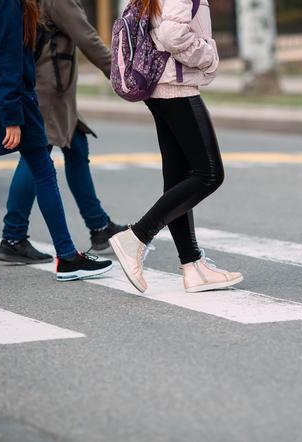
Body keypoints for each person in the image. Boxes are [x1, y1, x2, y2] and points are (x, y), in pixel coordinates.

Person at [0, 0, 113, 290]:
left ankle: (66, 256)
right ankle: (65, 256)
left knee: (40, 170)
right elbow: (4, 60)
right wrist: (11, 118)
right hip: (1, 105)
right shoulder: (8, 3)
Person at [109, 0, 243, 293]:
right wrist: (208, 55)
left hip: (162, 87)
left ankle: (192, 266)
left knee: (178, 179)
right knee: (209, 174)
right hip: (176, 88)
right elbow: (171, 34)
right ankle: (137, 236)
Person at [0, 0, 126, 265]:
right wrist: (122, 75)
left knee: (77, 147)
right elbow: (87, 38)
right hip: (49, 93)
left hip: (51, 90)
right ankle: (13, 235)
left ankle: (99, 226)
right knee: (36, 157)